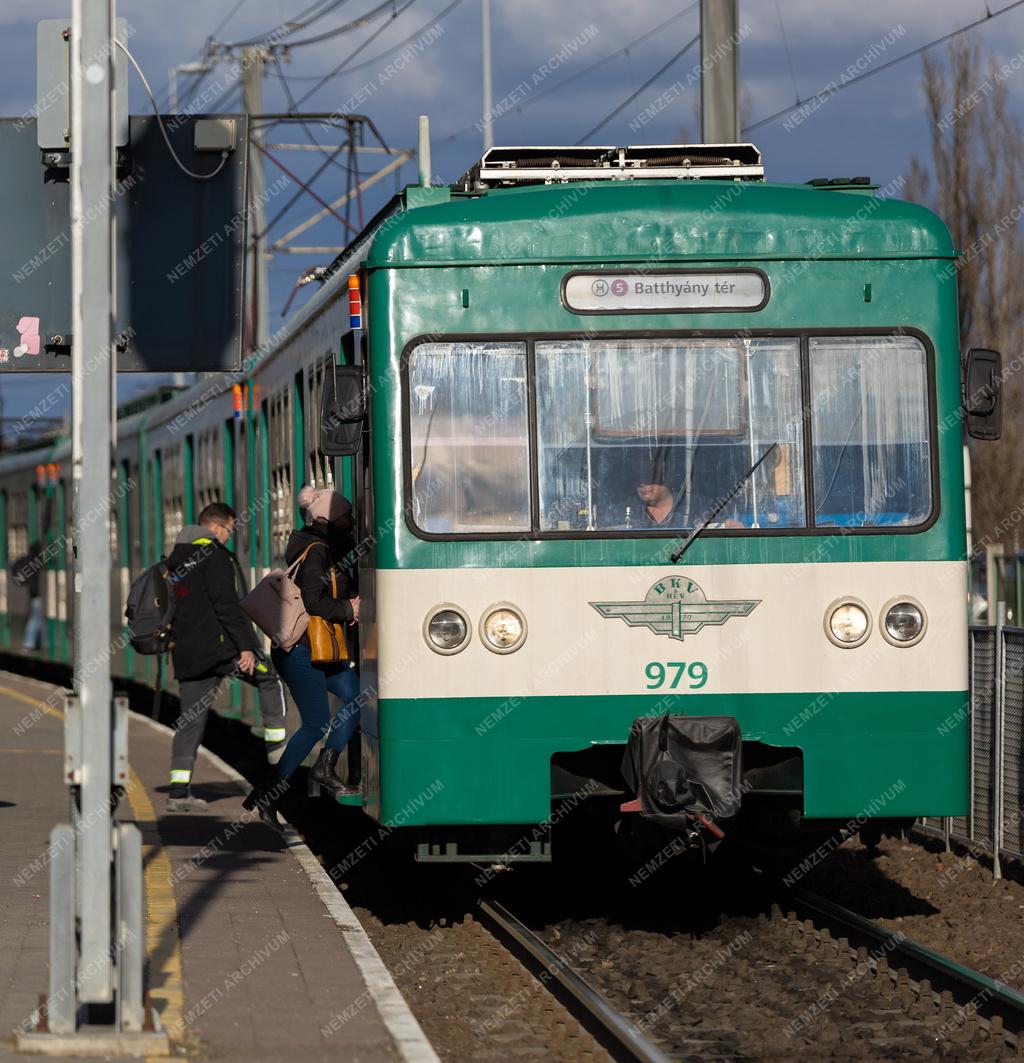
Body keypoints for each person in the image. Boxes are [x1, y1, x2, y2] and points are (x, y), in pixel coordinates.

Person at [244, 486, 360, 827]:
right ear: (330, 519)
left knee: (356, 697)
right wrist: (349, 609)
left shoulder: (318, 543)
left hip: (321, 649)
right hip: (300, 651)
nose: (352, 522)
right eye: (347, 516)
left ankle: (324, 767)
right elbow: (314, 601)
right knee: (315, 723)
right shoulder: (316, 552)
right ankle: (268, 796)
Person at [165, 502, 289, 813]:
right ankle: (277, 751)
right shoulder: (215, 556)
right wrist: (245, 648)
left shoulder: (177, 558)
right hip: (222, 650)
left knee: (190, 720)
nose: (230, 537)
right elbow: (227, 606)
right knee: (268, 676)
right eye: (230, 530)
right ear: (218, 527)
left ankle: (178, 794)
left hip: (188, 652)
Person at [12, 542, 45, 651]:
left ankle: (39, 643)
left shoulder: (28, 560)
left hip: (35, 594)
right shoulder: (37, 561)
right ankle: (29, 643)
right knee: (36, 618)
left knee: (39, 619)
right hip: (38, 595)